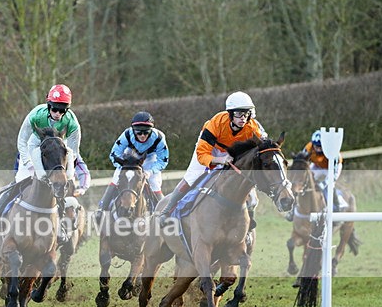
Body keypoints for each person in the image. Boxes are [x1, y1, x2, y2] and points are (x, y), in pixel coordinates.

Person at [0, 84, 81, 242]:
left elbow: (73, 151)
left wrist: (62, 170)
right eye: (54, 109)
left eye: (62, 110)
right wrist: (29, 163)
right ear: (48, 104)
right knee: (22, 181)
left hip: (55, 156)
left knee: (61, 187)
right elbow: (22, 141)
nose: (58, 113)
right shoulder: (36, 114)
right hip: (33, 149)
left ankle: (61, 227)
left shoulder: (72, 122)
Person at [159, 91, 266, 228]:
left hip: (231, 151)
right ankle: (166, 211)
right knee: (193, 176)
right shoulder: (216, 123)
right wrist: (219, 160)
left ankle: (250, 218)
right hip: (209, 149)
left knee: (246, 181)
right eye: (239, 114)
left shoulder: (252, 128)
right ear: (230, 114)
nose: (243, 118)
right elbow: (202, 154)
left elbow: (262, 148)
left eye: (246, 114)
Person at [96, 111, 169, 222]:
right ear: (133, 131)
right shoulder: (126, 135)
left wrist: (150, 171)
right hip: (130, 158)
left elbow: (163, 160)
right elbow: (114, 154)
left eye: (146, 133)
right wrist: (123, 166)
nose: (143, 136)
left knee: (154, 183)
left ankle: (166, 213)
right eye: (139, 133)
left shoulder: (159, 137)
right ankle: (101, 209)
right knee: (116, 178)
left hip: (150, 159)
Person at [297, 129, 345, 210]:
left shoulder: (333, 151)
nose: (318, 149)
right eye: (316, 146)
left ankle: (338, 204)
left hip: (331, 168)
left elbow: (334, 173)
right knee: (305, 180)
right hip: (317, 165)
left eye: (320, 146)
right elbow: (302, 161)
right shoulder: (308, 148)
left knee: (329, 185)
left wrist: (324, 183)